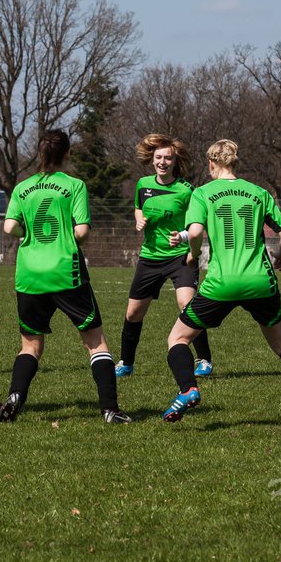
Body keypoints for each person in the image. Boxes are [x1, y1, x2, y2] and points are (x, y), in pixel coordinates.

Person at [159, 139, 281, 423]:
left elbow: (194, 233)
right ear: (235, 163)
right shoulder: (259, 193)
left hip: (222, 283)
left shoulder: (203, 193)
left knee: (178, 338)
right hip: (260, 281)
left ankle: (188, 390)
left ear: (211, 164)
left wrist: (193, 257)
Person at [0, 129, 133, 424]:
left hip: (29, 274)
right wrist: (65, 238)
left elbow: (9, 228)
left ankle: (15, 395)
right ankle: (110, 409)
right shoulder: (74, 185)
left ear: (39, 153)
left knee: (30, 345)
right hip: (64, 271)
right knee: (95, 342)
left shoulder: (23, 187)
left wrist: (28, 233)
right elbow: (82, 231)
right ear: (68, 153)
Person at [114, 134, 215, 379]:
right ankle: (126, 363)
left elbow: (200, 223)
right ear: (152, 159)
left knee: (187, 305)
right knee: (133, 313)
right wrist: (138, 217)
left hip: (181, 257)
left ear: (175, 161)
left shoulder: (187, 190)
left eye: (167, 158)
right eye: (158, 157)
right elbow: (139, 206)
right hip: (150, 257)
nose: (162, 162)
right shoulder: (143, 185)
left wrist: (181, 234)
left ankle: (204, 360)